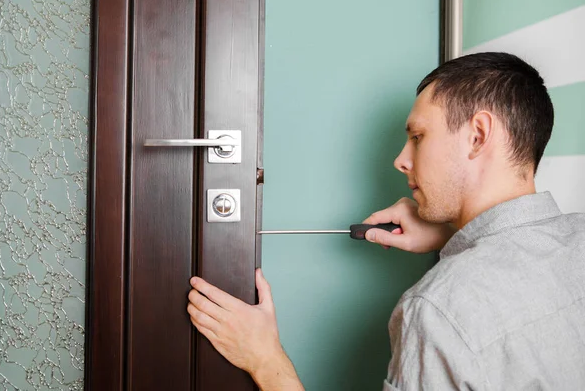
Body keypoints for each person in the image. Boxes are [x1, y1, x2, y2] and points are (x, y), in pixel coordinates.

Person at [187, 52, 585, 390]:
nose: (401, 160)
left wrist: (265, 361)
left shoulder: (440, 308)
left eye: (418, 136)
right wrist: (458, 232)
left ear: (478, 136)